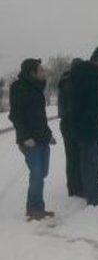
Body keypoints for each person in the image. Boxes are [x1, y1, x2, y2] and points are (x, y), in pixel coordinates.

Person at [8, 58, 56, 221]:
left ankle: (37, 207)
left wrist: (48, 134)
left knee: (43, 172)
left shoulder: (37, 88)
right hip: (29, 141)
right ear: (32, 73)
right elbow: (16, 115)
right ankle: (34, 208)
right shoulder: (19, 87)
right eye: (41, 70)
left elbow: (40, 117)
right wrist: (25, 137)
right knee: (36, 173)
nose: (44, 72)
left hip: (42, 138)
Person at [69, 45, 98, 207]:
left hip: (83, 124)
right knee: (90, 160)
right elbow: (93, 105)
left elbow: (95, 104)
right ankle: (93, 196)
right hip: (87, 126)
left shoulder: (82, 72)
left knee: (92, 159)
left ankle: (94, 191)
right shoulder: (92, 75)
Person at [57, 59, 83, 197]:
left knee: (72, 156)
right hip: (70, 123)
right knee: (75, 156)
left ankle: (74, 186)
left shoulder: (65, 80)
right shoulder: (70, 82)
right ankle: (75, 187)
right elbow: (73, 106)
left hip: (66, 122)